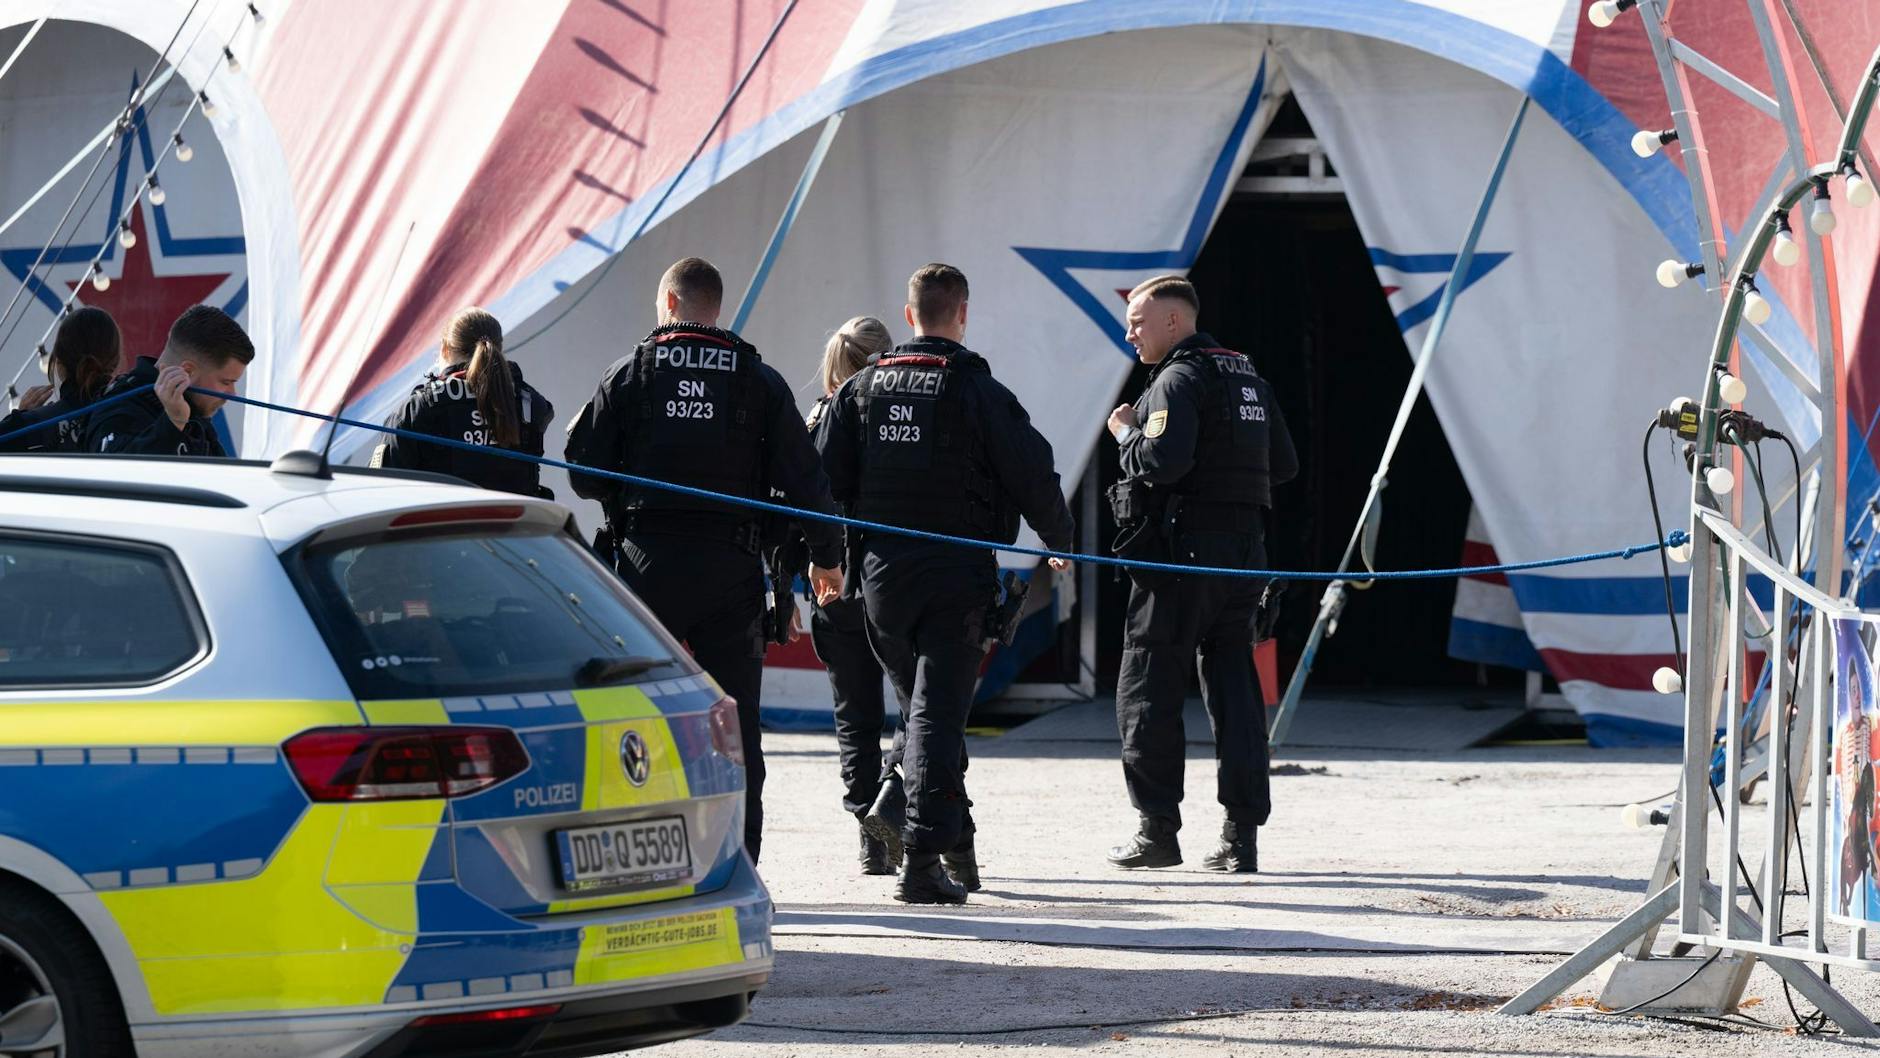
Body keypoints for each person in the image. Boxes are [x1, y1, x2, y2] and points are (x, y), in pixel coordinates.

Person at [564, 257, 844, 865]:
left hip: (645, 570)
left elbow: (580, 468)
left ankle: (634, 863)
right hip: (730, 572)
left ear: (669, 302)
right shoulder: (758, 379)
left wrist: (630, 486)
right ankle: (740, 863)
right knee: (737, 729)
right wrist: (826, 558)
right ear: (716, 306)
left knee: (634, 720)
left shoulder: (629, 372)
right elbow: (806, 480)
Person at [819, 264, 1076, 904]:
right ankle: (923, 861)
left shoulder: (861, 390)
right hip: (955, 572)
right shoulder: (975, 388)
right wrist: (1060, 540)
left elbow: (822, 481)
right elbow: (1032, 469)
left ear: (909, 317)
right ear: (961, 313)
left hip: (879, 578)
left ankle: (956, 844)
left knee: (925, 713)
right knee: (935, 717)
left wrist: (825, 558)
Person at [1103, 275, 1297, 874]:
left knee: (1147, 685)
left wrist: (1126, 432)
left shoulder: (1179, 378)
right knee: (1237, 690)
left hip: (1182, 558)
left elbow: (1161, 462)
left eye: (1137, 320)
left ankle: (1157, 830)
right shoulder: (1248, 378)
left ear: (1172, 321)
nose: (1130, 331)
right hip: (1244, 559)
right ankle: (1241, 838)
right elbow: (1284, 465)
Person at [795, 316, 898, 875]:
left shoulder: (815, 420)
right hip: (896, 579)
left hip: (832, 581)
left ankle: (869, 830)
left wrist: (787, 579)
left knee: (854, 717)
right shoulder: (908, 416)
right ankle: (896, 801)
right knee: (923, 708)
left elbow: (794, 506)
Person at [370, 306, 556, 496]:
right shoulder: (530, 403)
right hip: (517, 523)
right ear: (499, 349)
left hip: (445, 524)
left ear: (444, 348)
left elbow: (377, 490)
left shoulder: (418, 408)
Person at [84, 304, 251, 457]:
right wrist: (173, 423)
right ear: (188, 371)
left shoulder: (195, 416)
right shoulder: (119, 405)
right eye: (226, 382)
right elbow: (116, 475)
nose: (232, 394)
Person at [0, 306, 121, 452]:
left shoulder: (29, 426)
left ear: (59, 363)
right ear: (115, 360)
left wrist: (18, 421)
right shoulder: (137, 414)